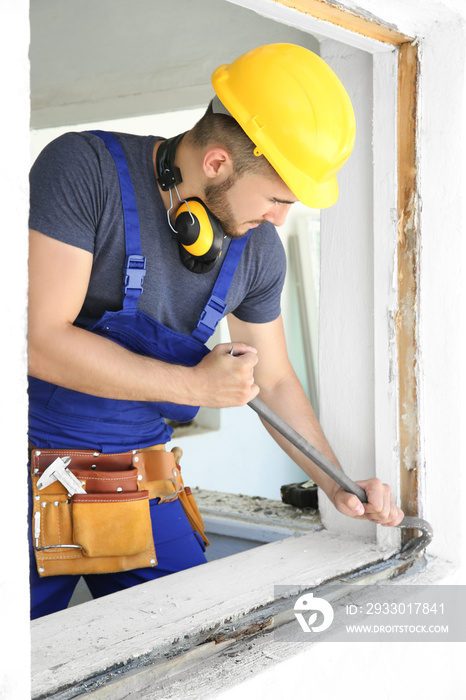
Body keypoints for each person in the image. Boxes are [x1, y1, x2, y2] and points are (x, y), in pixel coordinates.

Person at [28, 43, 404, 620]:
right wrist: (197, 388)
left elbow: (275, 380)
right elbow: (38, 340)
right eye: (278, 198)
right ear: (217, 163)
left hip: (141, 482)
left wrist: (333, 481)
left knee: (200, 641)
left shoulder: (259, 253)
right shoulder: (83, 170)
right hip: (23, 472)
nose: (281, 218)